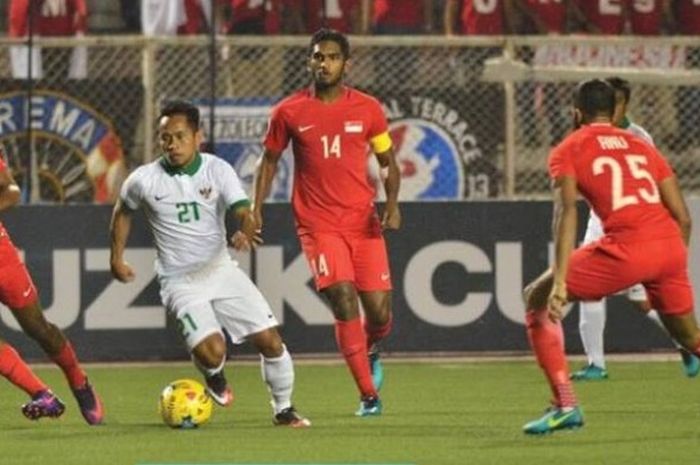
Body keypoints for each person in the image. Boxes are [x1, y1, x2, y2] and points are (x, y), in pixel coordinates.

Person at [109, 100, 310, 427]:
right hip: (179, 282)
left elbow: (244, 211)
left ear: (197, 136)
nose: (171, 144)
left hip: (221, 270)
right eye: (165, 138)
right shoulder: (144, 180)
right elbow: (122, 212)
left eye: (179, 136)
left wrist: (245, 231)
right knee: (213, 351)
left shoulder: (217, 170)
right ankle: (215, 375)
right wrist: (116, 258)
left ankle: (283, 409)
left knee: (272, 341)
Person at [522, 78, 697, 435]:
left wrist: (559, 282)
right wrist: (667, 268)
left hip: (627, 248)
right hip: (669, 245)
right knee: (691, 337)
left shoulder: (569, 148)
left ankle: (565, 405)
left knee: (534, 298)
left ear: (576, 112)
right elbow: (683, 216)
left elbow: (567, 213)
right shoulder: (643, 146)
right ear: (616, 110)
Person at [253, 28, 401, 417]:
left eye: (332, 57)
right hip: (318, 225)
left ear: (345, 64)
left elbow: (387, 162)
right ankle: (368, 395)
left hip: (363, 223)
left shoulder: (368, 109)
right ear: (309, 61)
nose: (325, 63)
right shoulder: (288, 112)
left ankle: (371, 347)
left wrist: (394, 202)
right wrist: (254, 209)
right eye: (318, 56)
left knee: (381, 314)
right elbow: (268, 161)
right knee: (343, 297)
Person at [572, 76, 699, 381]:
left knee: (643, 302)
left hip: (634, 227)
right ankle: (596, 364)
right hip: (600, 221)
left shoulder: (639, 137)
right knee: (591, 294)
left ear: (623, 104)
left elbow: (655, 186)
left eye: (612, 103)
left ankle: (685, 345)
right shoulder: (590, 130)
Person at [0, 149, 103, 424]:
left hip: (2, 261)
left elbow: (10, 190)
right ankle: (42, 394)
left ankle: (78, 380)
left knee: (39, 329)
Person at [8, 0, 88, 80]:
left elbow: (81, 14)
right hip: (36, 39)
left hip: (60, 41)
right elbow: (18, 15)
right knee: (31, 75)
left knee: (32, 77)